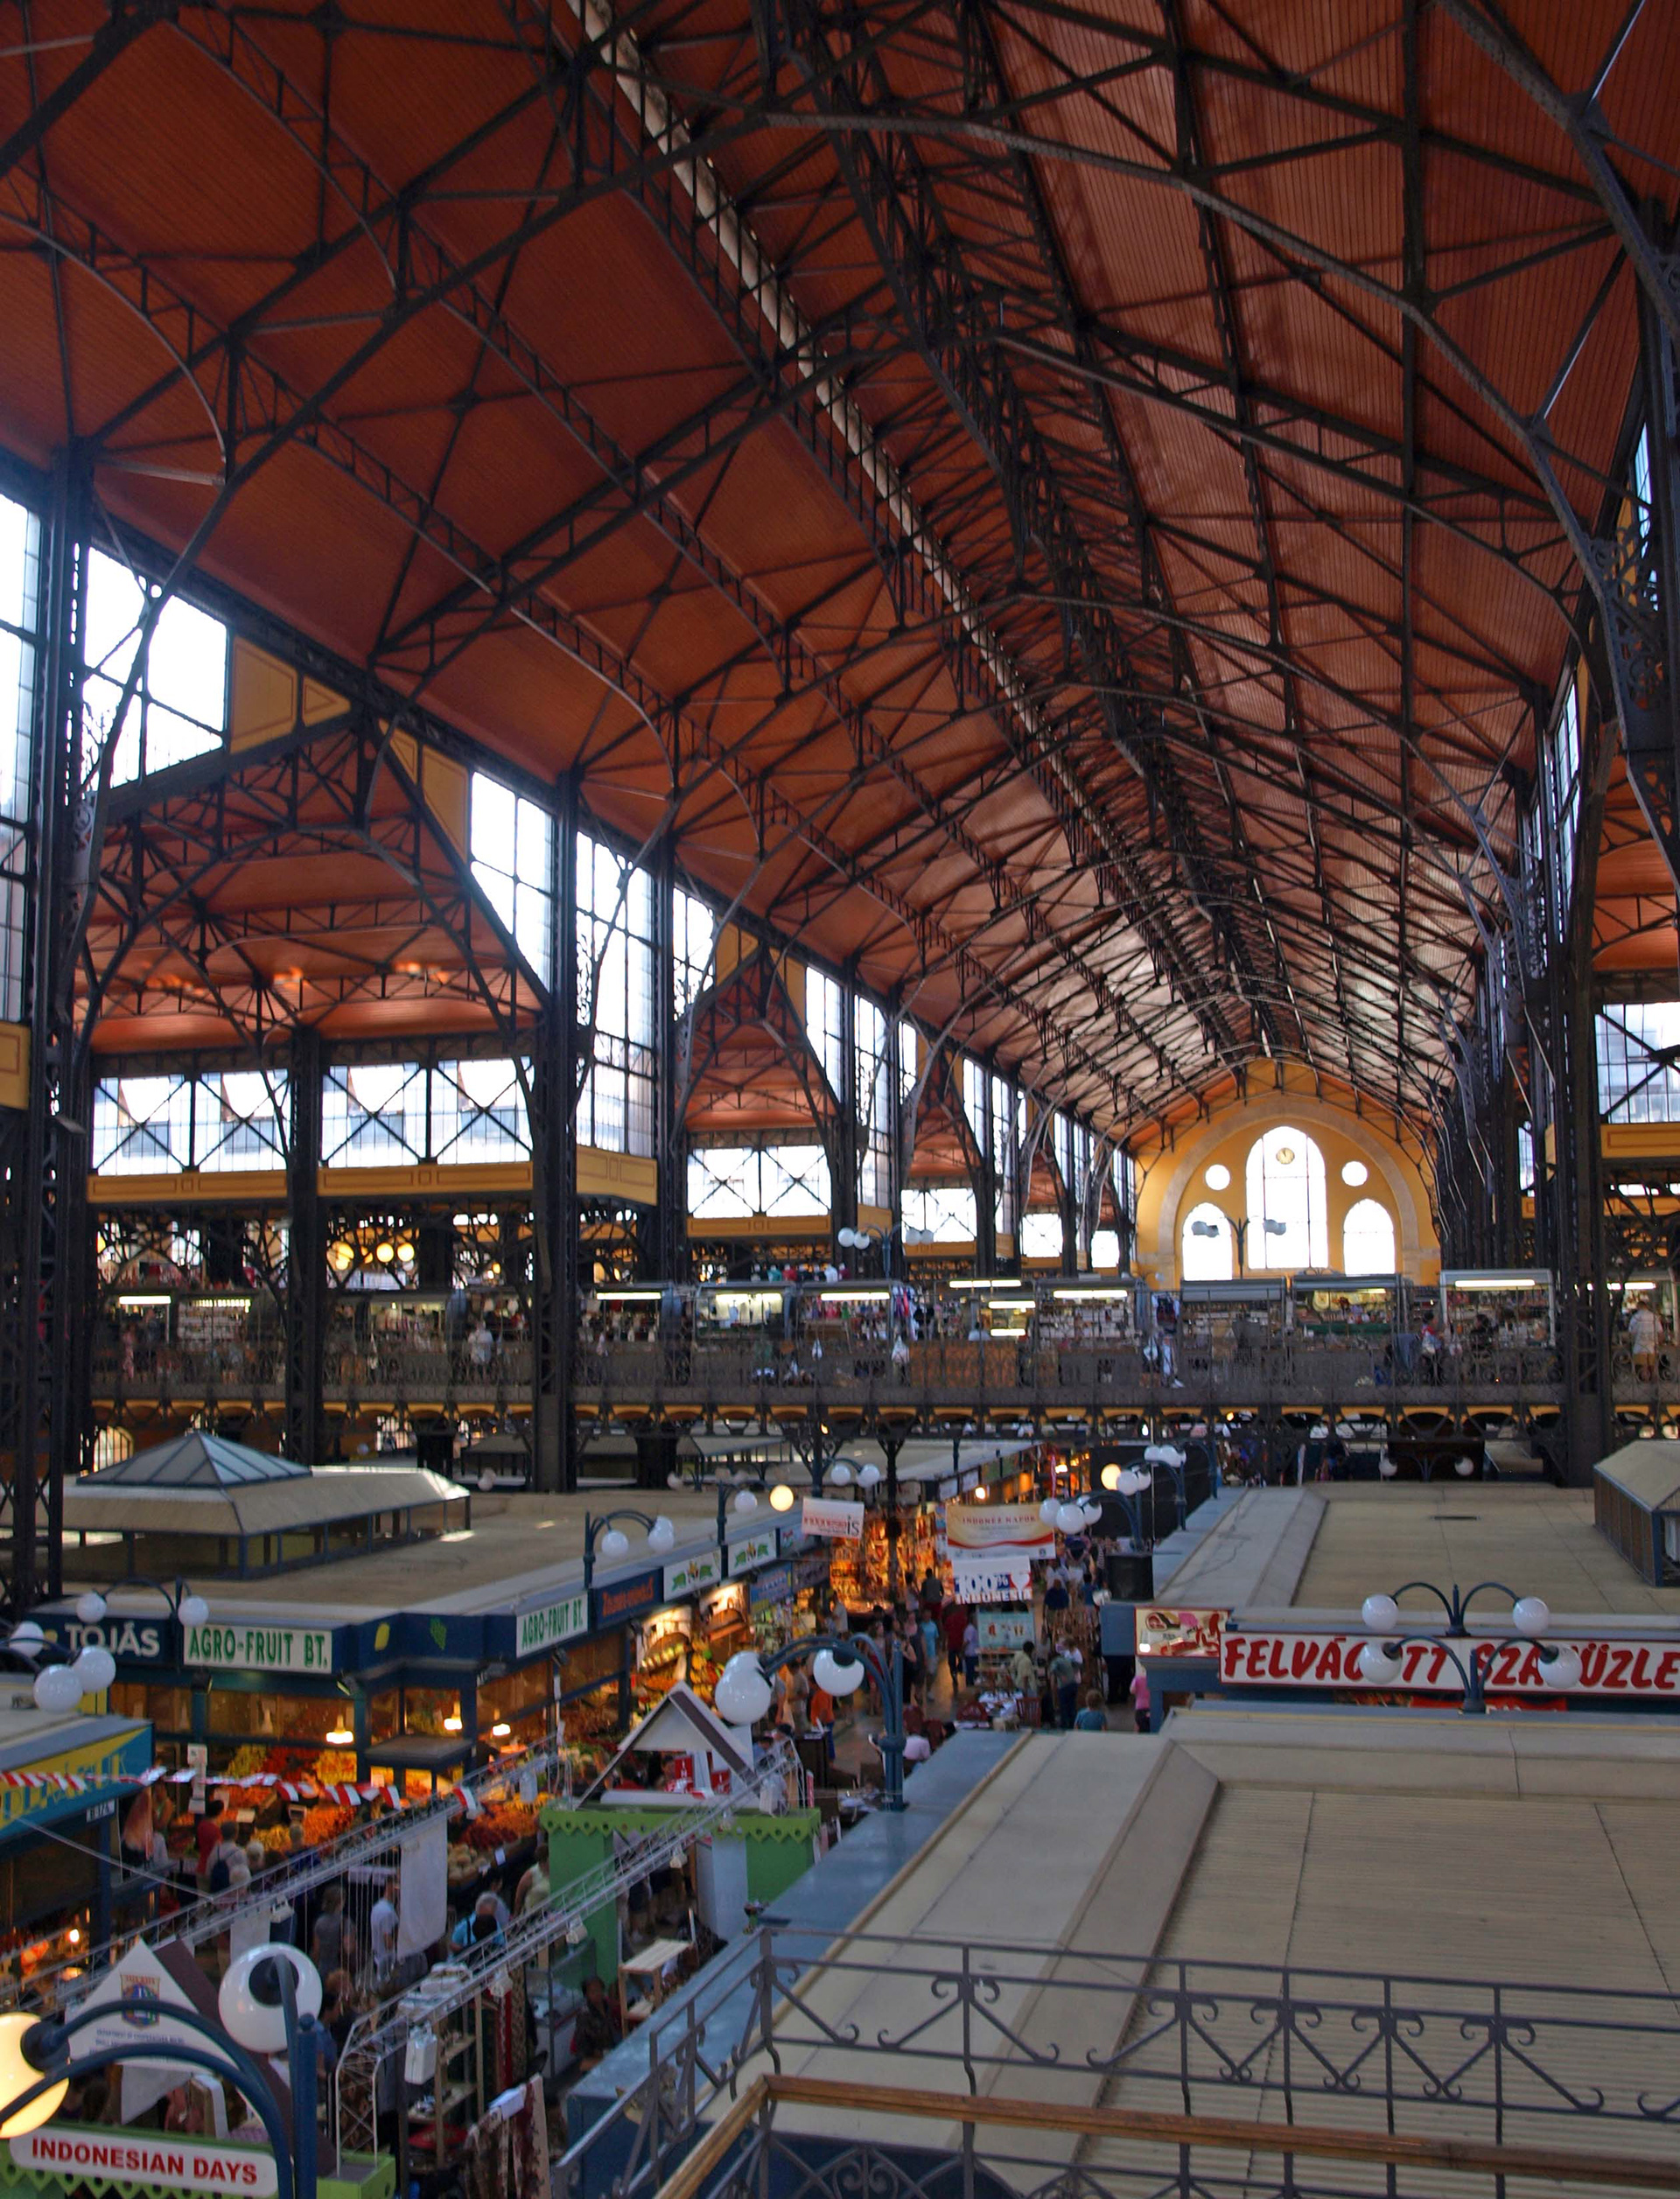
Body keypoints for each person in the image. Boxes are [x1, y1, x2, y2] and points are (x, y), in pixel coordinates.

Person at [573, 1975, 621, 2070]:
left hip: (612, 2049)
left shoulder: (607, 2005)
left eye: (599, 1989)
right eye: (593, 1992)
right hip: (595, 2058)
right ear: (586, 1995)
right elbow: (583, 2048)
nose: (598, 1994)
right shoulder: (584, 2016)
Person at [312, 1885, 356, 1977]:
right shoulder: (346, 1922)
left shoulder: (319, 1922)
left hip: (323, 1968)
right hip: (340, 1969)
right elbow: (348, 1949)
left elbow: (316, 1949)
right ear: (340, 1903)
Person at [368, 1876, 399, 1978]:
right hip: (386, 1962)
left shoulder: (377, 1907)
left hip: (378, 1958)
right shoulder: (387, 1913)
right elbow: (388, 1943)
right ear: (390, 1886)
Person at [194, 1799, 225, 1885]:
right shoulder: (216, 1831)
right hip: (211, 1870)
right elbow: (218, 1850)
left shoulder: (201, 1825)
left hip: (201, 1867)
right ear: (219, 1813)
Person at [1049, 1643, 1078, 1731]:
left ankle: (1065, 1725)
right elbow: (1076, 1665)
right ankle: (1073, 1724)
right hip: (1074, 1684)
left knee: (1064, 1707)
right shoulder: (1066, 1659)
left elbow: (1053, 1669)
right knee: (1072, 1706)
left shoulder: (1055, 1661)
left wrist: (1061, 1675)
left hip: (1065, 1687)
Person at [1632, 1300, 1661, 1382]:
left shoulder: (1635, 1317)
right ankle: (1653, 1381)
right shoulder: (1654, 1316)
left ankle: (1644, 1380)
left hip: (1639, 1346)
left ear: (1638, 1307)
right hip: (1652, 1345)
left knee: (1642, 1366)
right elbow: (1660, 1332)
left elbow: (1631, 1332)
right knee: (1652, 1366)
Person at [1130, 1663, 1151, 1734]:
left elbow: (1132, 1690)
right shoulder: (1152, 1680)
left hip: (1140, 1706)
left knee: (1138, 1724)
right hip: (1150, 1706)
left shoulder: (1137, 1679)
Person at [962, 1614, 980, 1687]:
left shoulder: (974, 1629)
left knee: (972, 1673)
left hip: (973, 1654)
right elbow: (966, 1642)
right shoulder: (971, 1629)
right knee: (971, 1673)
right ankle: (970, 1687)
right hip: (971, 1654)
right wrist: (962, 1651)